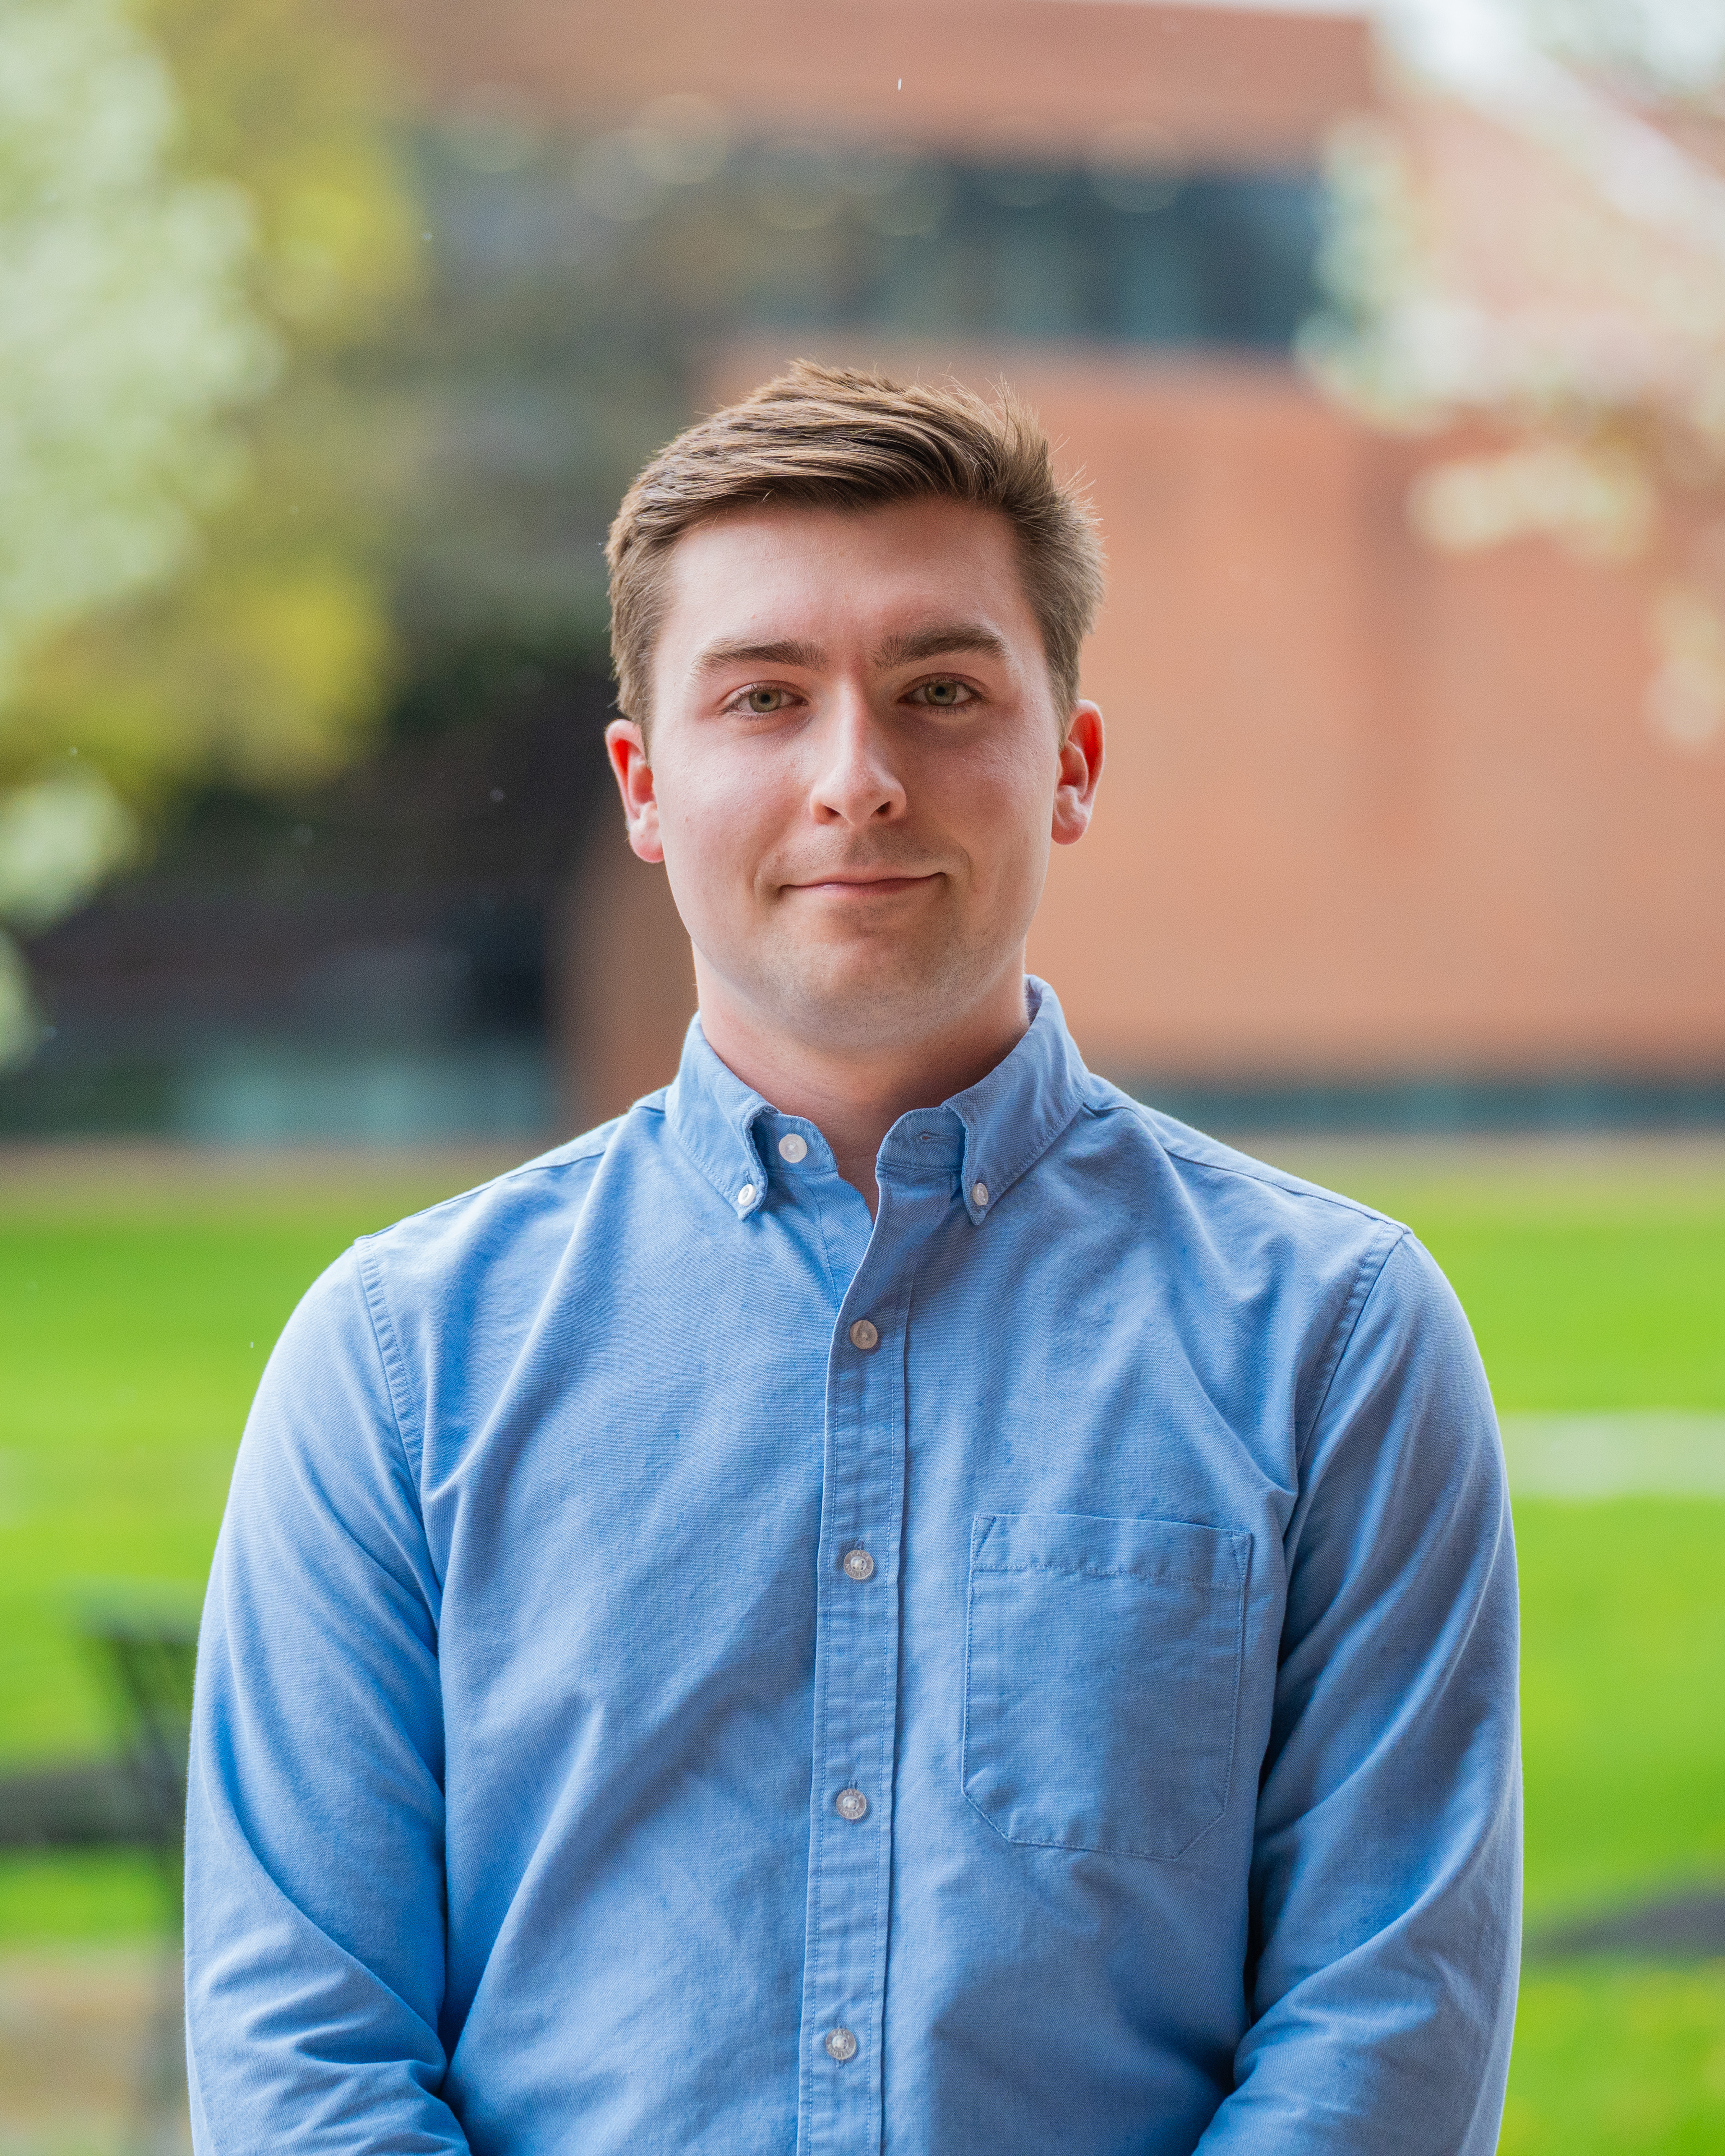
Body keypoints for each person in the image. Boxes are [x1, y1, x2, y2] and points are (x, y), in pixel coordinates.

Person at [184, 362, 1520, 2153]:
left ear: (1072, 763)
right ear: (646, 788)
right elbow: (303, 2050)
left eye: (942, 690)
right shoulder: (398, 1361)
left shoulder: (1337, 1344)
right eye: (764, 698)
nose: (857, 780)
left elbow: (1385, 2020)